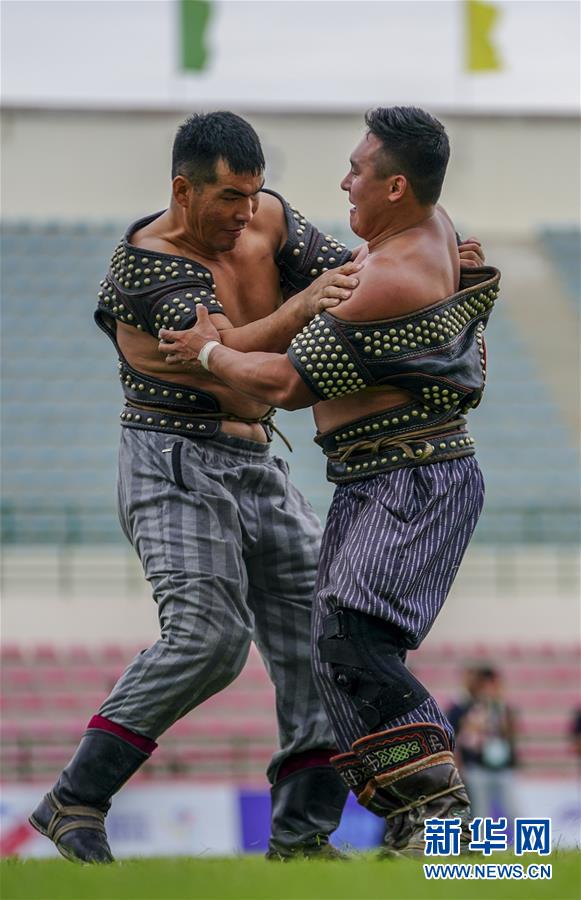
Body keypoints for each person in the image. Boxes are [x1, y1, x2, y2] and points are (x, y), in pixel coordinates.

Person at [159, 106, 499, 857]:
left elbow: (282, 385)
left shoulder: (387, 276)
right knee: (335, 651)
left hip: (414, 477)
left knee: (352, 644)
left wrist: (209, 353)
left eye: (357, 169)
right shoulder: (432, 228)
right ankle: (405, 827)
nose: (344, 180)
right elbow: (459, 287)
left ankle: (449, 821)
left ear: (396, 186)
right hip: (383, 476)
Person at [28, 110, 363, 864]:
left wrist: (433, 266)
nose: (245, 214)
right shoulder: (144, 263)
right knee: (209, 637)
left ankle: (302, 838)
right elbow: (215, 351)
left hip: (256, 460)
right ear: (183, 190)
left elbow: (346, 274)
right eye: (227, 198)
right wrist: (300, 308)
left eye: (252, 195)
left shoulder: (271, 218)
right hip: (169, 458)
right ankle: (74, 799)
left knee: (328, 631)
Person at [448, 666, 519, 821]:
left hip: (502, 766)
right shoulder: (469, 708)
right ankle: (481, 844)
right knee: (481, 812)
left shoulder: (503, 708)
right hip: (478, 766)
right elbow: (465, 737)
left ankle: (528, 844)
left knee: (513, 810)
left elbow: (510, 733)